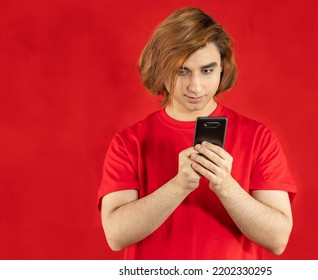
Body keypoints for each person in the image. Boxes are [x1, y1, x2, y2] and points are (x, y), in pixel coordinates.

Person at [98, 7, 297, 260]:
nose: (196, 86)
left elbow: (277, 239)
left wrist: (225, 185)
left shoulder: (259, 137)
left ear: (222, 69)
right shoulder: (129, 142)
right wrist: (179, 185)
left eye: (207, 70)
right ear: (161, 70)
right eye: (182, 71)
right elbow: (116, 235)